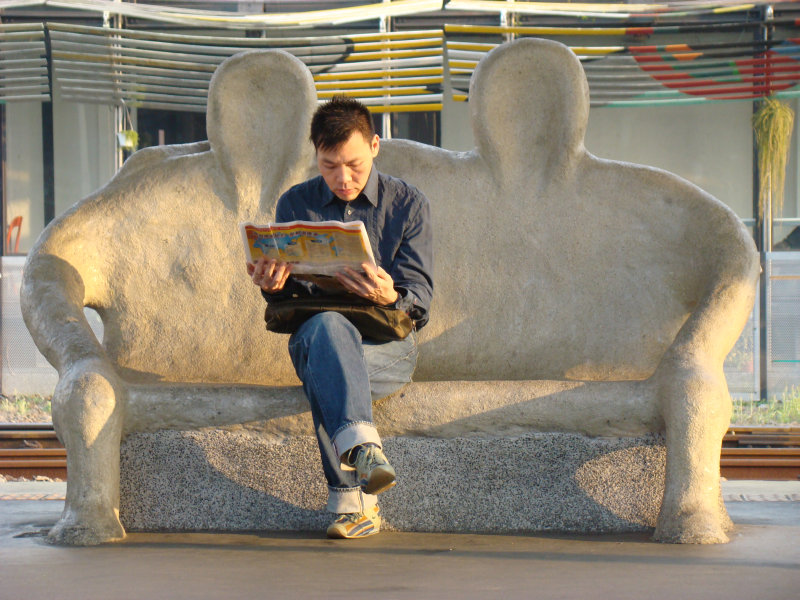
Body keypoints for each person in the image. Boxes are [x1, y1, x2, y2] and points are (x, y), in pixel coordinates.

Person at [247, 96, 433, 539]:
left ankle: (355, 499)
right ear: (316, 155)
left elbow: (421, 300)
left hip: (385, 349)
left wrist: (391, 296)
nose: (342, 178)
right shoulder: (295, 204)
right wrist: (273, 285)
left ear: (375, 145)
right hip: (318, 337)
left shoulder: (408, 205)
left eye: (352, 164)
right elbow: (288, 304)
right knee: (329, 330)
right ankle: (363, 456)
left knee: (326, 372)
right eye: (329, 166)